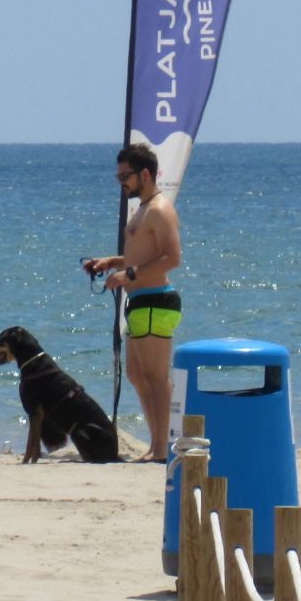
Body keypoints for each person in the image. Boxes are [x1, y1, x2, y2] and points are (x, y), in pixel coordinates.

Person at [84, 141, 183, 462]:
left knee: (156, 376)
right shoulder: (143, 208)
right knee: (137, 376)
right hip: (141, 301)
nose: (121, 183)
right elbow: (142, 256)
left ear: (145, 174)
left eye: (124, 176)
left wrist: (128, 275)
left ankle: (163, 446)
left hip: (156, 301)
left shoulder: (160, 209)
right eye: (118, 177)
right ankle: (156, 444)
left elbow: (171, 258)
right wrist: (111, 262)